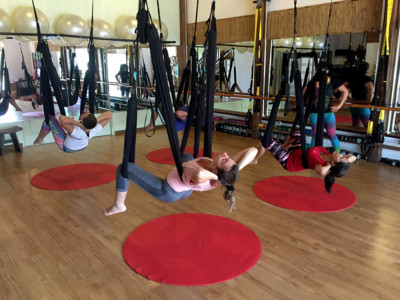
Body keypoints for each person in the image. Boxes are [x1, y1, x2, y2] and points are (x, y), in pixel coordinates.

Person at [104, 146, 258, 216]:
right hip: (186, 190)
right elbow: (253, 150)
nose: (225, 154)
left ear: (217, 172)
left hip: (167, 191)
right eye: (228, 157)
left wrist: (218, 178)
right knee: (187, 156)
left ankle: (119, 205)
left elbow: (198, 174)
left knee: (124, 168)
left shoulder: (205, 177)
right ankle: (184, 165)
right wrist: (236, 166)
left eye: (225, 160)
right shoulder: (223, 171)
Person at [253, 130, 356, 193]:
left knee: (266, 140)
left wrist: (331, 164)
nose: (341, 154)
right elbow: (353, 157)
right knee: (297, 131)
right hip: (297, 151)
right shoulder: (327, 154)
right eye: (343, 156)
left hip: (289, 161)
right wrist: (345, 160)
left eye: (341, 157)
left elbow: (322, 172)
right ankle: (284, 146)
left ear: (333, 163)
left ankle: (255, 159)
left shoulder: (321, 165)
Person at [304, 65, 349, 153]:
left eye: (325, 69)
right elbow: (303, 94)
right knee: (316, 135)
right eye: (321, 69)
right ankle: (312, 154)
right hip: (314, 113)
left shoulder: (333, 81)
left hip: (328, 113)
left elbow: (345, 91)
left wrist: (339, 106)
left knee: (332, 135)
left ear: (328, 70)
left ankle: (338, 155)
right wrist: (307, 103)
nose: (323, 71)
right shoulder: (312, 82)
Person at [33, 111, 111, 153]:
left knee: (49, 120)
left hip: (67, 147)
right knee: (84, 112)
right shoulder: (94, 129)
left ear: (82, 122)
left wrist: (80, 125)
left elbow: (61, 118)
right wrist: (93, 122)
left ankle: (40, 139)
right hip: (82, 146)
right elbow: (109, 115)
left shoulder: (76, 131)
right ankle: (87, 120)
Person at [345, 61, 374, 127]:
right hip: (363, 106)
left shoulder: (352, 78)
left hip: (354, 105)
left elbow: (343, 87)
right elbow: (371, 89)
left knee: (356, 126)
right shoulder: (366, 79)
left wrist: (348, 98)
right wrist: (369, 102)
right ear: (366, 69)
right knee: (368, 127)